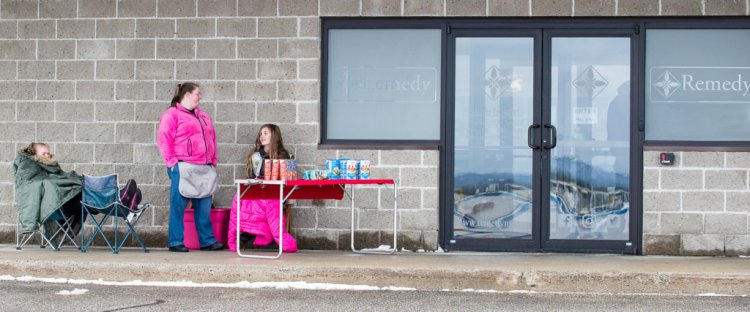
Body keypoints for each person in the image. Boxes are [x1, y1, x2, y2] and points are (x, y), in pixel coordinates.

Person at [157, 82, 224, 252]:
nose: (200, 97)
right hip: (183, 166)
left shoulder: (203, 116)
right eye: (197, 93)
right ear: (187, 95)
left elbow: (213, 139)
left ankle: (207, 241)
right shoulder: (172, 114)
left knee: (204, 205)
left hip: (204, 167)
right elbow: (164, 139)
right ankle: (175, 241)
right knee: (178, 205)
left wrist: (213, 161)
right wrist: (173, 164)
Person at [228, 124, 298, 252]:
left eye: (266, 133)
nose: (262, 136)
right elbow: (250, 174)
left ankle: (247, 234)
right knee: (239, 198)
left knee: (264, 203)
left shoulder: (282, 154)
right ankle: (245, 233)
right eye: (261, 134)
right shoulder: (255, 155)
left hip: (275, 192)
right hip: (257, 189)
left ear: (274, 135)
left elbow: (285, 178)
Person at [13, 142, 83, 241]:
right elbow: (31, 185)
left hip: (61, 205)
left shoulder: (51, 166)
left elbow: (61, 177)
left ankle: (96, 202)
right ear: (34, 154)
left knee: (81, 190)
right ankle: (96, 203)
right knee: (82, 198)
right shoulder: (28, 165)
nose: (47, 155)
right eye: (44, 153)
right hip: (50, 209)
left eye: (48, 153)